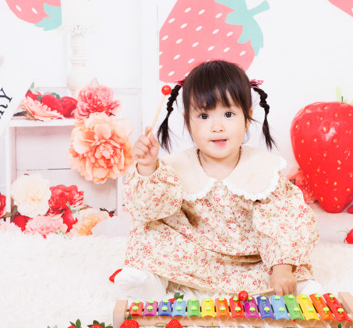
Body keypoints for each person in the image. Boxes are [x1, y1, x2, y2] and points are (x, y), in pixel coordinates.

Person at [114, 60, 320, 300]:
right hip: (195, 256)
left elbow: (285, 219)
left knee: (290, 264)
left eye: (229, 114)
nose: (217, 127)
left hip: (251, 258)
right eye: (204, 116)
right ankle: (150, 281)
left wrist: (282, 267)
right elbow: (149, 209)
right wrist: (148, 166)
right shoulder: (174, 168)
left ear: (247, 118)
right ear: (188, 122)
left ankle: (299, 286)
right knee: (148, 227)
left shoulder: (263, 169)